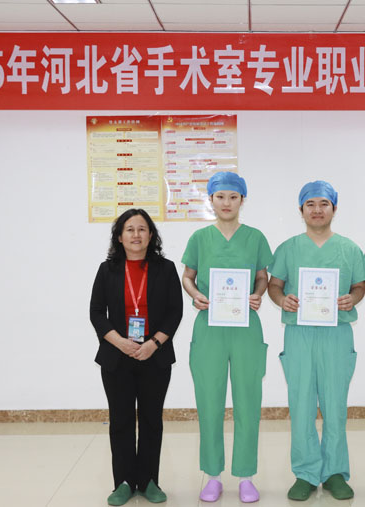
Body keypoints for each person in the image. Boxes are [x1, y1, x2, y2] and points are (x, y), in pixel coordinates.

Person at [268, 180, 365, 501]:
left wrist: (353, 298)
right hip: (299, 334)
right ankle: (306, 473)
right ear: (301, 210)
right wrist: (282, 300)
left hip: (336, 334)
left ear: (334, 209)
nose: (317, 210)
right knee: (301, 405)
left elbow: (359, 286)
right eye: (310, 204)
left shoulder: (349, 249)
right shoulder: (288, 248)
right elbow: (274, 285)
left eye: (324, 203)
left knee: (335, 405)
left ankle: (335, 472)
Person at [181, 171, 273, 503]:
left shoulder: (255, 237)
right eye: (220, 196)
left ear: (242, 200)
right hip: (210, 327)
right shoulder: (200, 238)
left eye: (233, 197)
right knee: (209, 401)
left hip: (246, 327)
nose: (226, 202)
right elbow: (187, 276)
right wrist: (195, 295)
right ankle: (213, 475)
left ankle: (246, 476)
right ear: (211, 199)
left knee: (248, 400)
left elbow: (262, 277)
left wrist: (258, 294)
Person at [89, 208, 183, 506]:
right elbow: (96, 312)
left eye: (142, 229)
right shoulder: (108, 269)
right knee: (121, 421)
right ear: (119, 236)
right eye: (129, 229)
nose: (136, 235)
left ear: (151, 235)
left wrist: (154, 343)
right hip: (117, 357)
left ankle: (149, 481)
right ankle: (124, 483)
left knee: (152, 420)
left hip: (154, 356)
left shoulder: (165, 268)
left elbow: (175, 311)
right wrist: (119, 341)